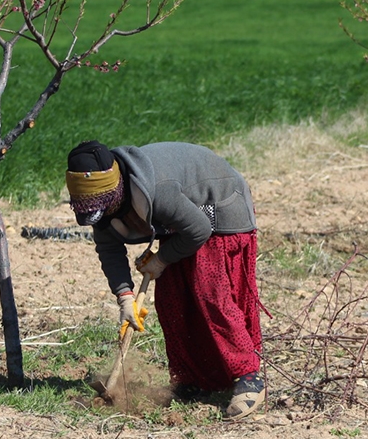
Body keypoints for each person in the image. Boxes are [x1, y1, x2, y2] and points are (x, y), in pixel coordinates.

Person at [64, 140, 265, 419]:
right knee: (172, 299)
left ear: (116, 189)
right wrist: (125, 296)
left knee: (209, 293)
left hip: (219, 205)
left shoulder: (158, 189)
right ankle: (195, 379)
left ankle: (249, 375)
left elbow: (198, 229)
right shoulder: (103, 204)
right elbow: (108, 248)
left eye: (105, 207)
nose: (104, 215)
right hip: (181, 221)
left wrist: (160, 260)